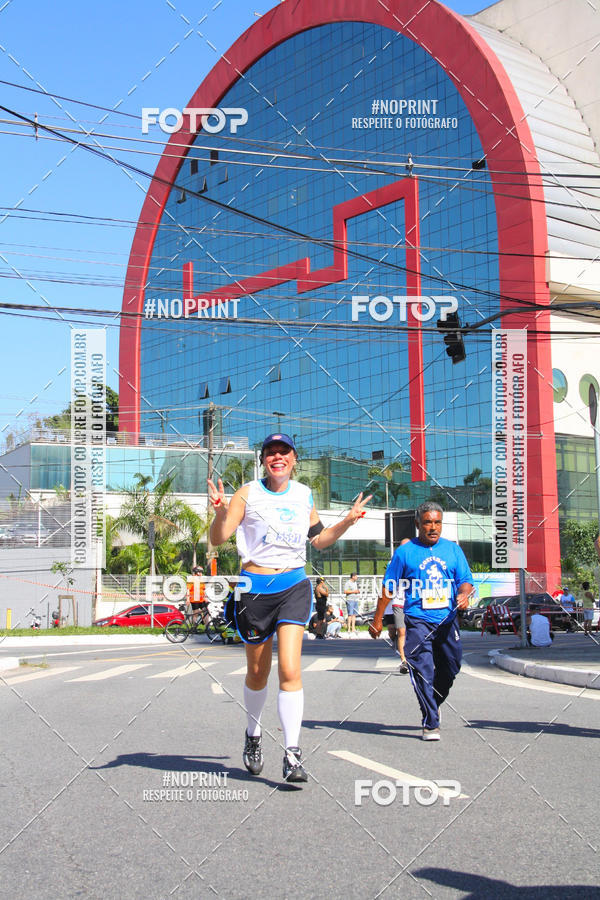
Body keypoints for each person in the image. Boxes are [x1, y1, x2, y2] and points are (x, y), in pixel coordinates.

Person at [207, 433, 370, 783]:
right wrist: (221, 513)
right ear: (263, 459)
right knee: (257, 672)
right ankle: (253, 734)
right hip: (254, 589)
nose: (277, 457)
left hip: (294, 586)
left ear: (294, 458)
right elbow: (218, 538)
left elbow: (319, 539)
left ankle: (292, 753)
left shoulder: (303, 495)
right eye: (270, 452)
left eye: (284, 452)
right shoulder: (246, 494)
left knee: (290, 670)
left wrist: (347, 520)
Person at [368, 501, 473, 740]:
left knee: (451, 667)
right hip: (417, 620)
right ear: (418, 524)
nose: (433, 527)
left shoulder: (453, 550)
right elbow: (389, 586)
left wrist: (463, 594)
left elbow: (465, 580)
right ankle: (431, 722)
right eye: (427, 522)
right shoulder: (405, 553)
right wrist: (377, 620)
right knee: (422, 669)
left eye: (437, 522)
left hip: (447, 620)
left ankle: (432, 703)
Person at [344, 572, 360, 637]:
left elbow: (355, 590)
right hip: (350, 600)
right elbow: (345, 591)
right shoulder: (348, 583)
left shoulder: (355, 583)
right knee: (350, 614)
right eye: (356, 576)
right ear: (353, 576)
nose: (357, 577)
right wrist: (354, 591)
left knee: (354, 614)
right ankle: (348, 629)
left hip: (355, 599)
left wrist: (357, 591)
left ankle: (353, 628)